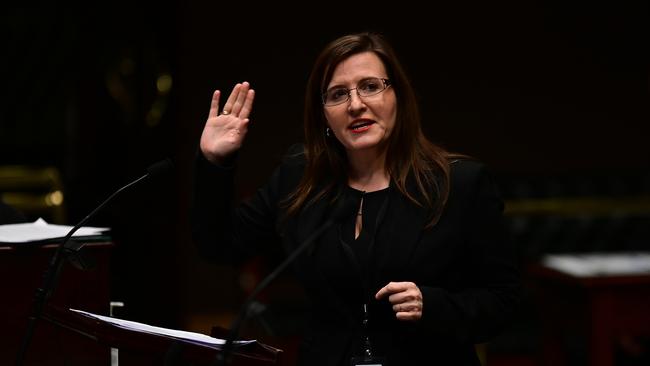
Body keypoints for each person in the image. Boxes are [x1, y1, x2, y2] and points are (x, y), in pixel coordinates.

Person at [191, 32, 520, 365]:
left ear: (399, 98)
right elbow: (219, 244)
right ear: (324, 115)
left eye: (371, 86)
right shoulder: (301, 177)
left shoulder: (460, 183)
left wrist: (433, 306)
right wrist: (214, 162)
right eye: (337, 94)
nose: (356, 104)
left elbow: (504, 301)